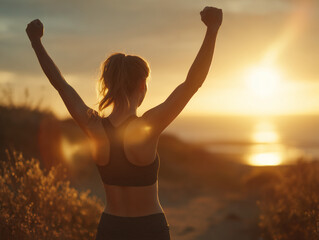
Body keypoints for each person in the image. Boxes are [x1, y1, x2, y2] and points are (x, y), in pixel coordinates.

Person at [26, 6, 222, 240]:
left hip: (110, 229)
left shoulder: (93, 127)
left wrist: (36, 42)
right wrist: (212, 30)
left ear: (108, 86)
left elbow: (60, 83)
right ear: (142, 85)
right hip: (150, 229)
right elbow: (192, 83)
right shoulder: (148, 126)